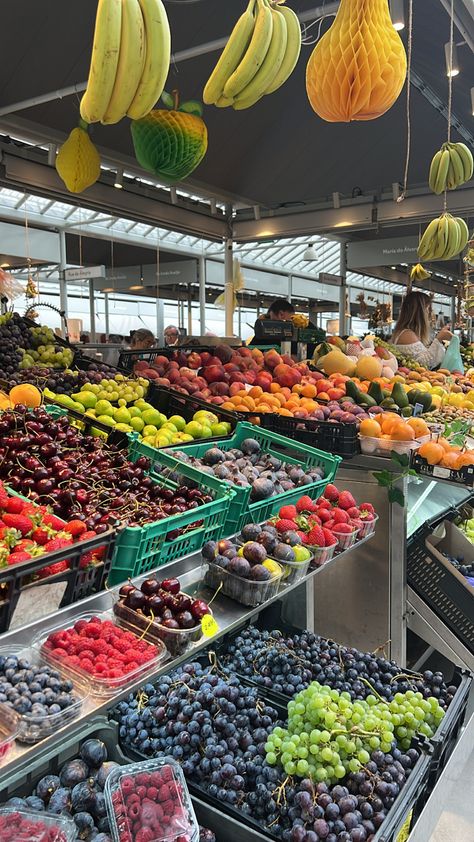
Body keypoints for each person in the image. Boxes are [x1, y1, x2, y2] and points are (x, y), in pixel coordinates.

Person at [392, 291, 453, 369]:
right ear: (420, 312)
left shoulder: (405, 332)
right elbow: (425, 364)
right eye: (427, 308)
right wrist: (439, 339)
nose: (429, 312)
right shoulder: (407, 334)